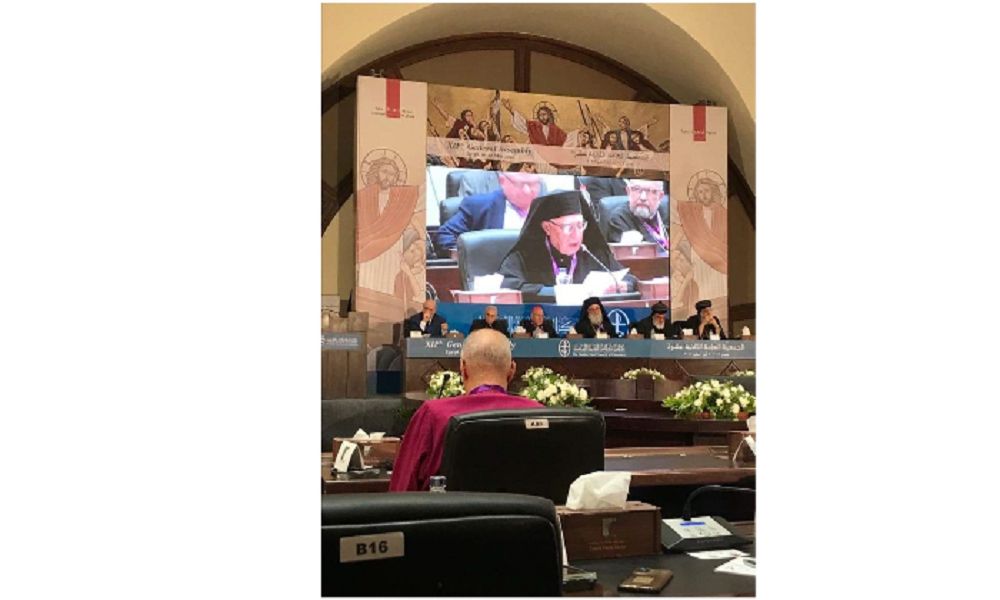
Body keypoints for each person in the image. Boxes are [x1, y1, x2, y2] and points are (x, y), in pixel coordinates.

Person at [389, 329, 544, 491]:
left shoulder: (434, 415)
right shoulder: (538, 415)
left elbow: (401, 491)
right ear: (512, 369)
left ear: (463, 367)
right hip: (523, 508)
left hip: (449, 508)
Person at [498, 190, 638, 301]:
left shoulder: (593, 253)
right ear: (547, 228)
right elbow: (507, 285)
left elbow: (629, 278)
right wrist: (556, 292)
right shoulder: (525, 256)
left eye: (580, 225)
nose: (576, 235)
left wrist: (623, 286)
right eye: (568, 227)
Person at [435, 170, 543, 253]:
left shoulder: (547, 206)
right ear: (503, 182)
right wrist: (469, 259)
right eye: (520, 184)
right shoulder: (478, 206)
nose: (527, 191)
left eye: (533, 184)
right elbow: (444, 236)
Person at [606, 178, 669, 251]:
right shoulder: (619, 219)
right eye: (637, 189)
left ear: (660, 196)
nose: (643, 197)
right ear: (628, 191)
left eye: (650, 191)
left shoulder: (667, 213)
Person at [503, 99, 567, 146]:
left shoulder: (556, 130)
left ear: (549, 115)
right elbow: (522, 122)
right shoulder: (534, 126)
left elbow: (565, 141)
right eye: (540, 115)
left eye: (544, 114)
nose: (542, 117)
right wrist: (511, 110)